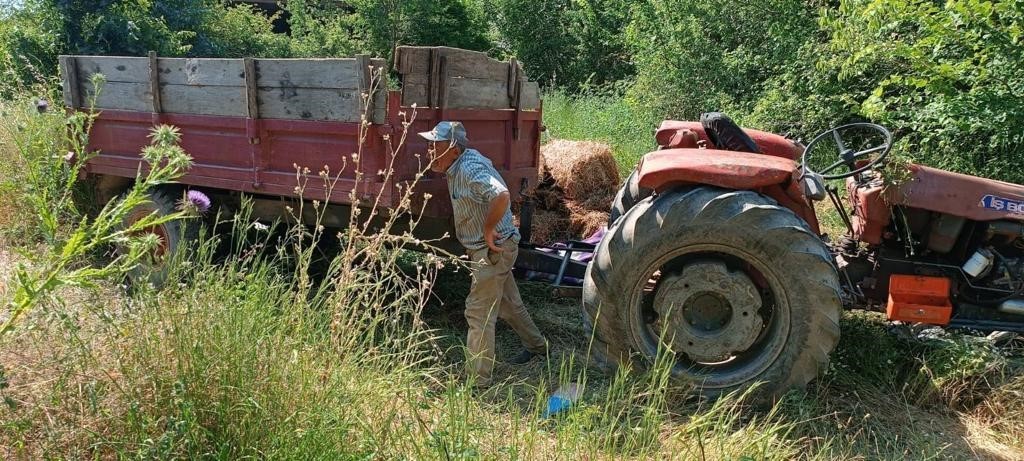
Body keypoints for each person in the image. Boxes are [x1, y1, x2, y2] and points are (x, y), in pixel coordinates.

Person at [419, 121, 548, 387]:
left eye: (436, 146)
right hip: (498, 248)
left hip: (491, 250)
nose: (430, 151)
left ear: (453, 148)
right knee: (508, 305)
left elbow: (500, 195)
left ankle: (477, 381)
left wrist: (489, 229)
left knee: (478, 312)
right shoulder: (459, 163)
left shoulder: (468, 169)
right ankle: (538, 347)